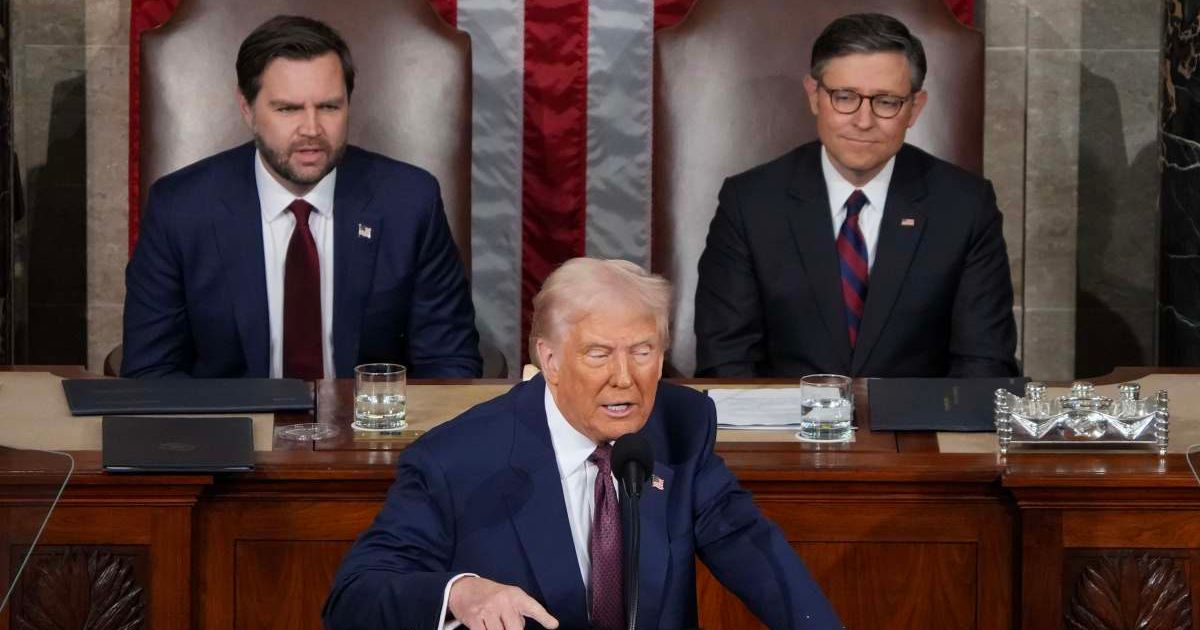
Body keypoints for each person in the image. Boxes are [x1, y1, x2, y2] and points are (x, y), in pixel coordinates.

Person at [323, 258, 842, 630]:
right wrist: (458, 592)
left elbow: (755, 552)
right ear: (549, 360)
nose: (625, 379)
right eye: (598, 354)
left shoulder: (680, 425)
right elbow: (354, 597)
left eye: (643, 351)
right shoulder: (457, 458)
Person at [122, 15, 481, 379]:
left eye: (329, 107)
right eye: (288, 109)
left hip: (374, 429)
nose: (311, 130)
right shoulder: (180, 208)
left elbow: (448, 365)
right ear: (247, 109)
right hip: (234, 429)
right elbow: (152, 372)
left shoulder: (409, 202)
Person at [694, 13, 1018, 379]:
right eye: (844, 97)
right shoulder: (749, 203)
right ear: (814, 96)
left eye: (886, 102)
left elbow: (984, 362)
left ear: (915, 107)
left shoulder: (965, 205)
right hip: (783, 430)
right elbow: (726, 361)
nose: (863, 121)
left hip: (919, 430)